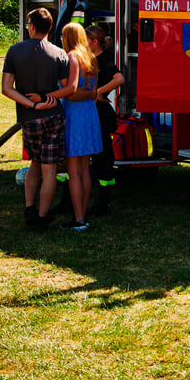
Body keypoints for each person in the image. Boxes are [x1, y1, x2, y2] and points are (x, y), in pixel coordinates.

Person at [2, 7, 75, 231]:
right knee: (49, 168)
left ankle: (29, 208)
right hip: (53, 116)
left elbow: (6, 88)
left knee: (34, 162)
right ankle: (43, 216)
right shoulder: (59, 53)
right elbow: (68, 89)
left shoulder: (14, 51)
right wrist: (47, 98)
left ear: (31, 26)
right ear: (50, 28)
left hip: (28, 117)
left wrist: (32, 103)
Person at [60, 22, 102, 230]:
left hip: (74, 114)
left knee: (73, 170)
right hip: (89, 113)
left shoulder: (72, 57)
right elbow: (93, 91)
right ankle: (83, 214)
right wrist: (90, 94)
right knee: (85, 167)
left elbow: (72, 92)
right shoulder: (91, 58)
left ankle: (78, 218)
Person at [86, 25, 124, 215]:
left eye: (86, 40)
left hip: (101, 114)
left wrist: (99, 92)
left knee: (103, 159)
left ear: (94, 42)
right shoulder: (88, 59)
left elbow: (119, 79)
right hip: (90, 114)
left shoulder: (105, 60)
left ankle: (103, 202)